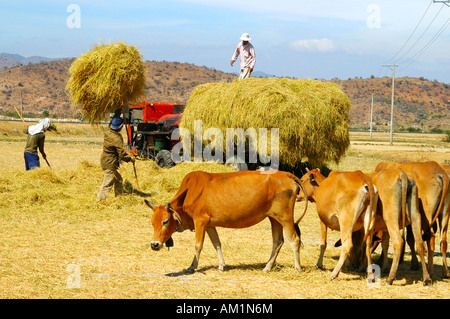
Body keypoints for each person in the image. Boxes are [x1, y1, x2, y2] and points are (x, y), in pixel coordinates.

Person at [97, 116, 135, 201]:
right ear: (120, 127)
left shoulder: (107, 132)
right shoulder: (117, 138)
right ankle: (99, 202)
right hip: (110, 162)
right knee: (107, 184)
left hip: (104, 160)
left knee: (119, 180)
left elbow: (111, 123)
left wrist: (117, 112)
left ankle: (118, 198)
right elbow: (122, 154)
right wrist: (130, 159)